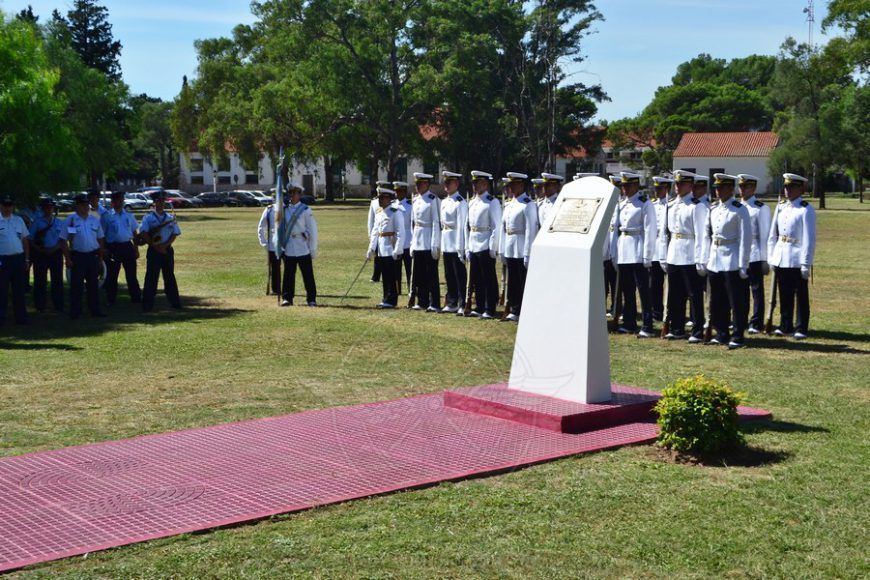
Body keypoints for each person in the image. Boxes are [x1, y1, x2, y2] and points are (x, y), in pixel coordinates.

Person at [704, 174, 751, 349]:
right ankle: (721, 332)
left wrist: (743, 264)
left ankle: (737, 335)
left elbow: (745, 239)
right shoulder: (714, 209)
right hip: (715, 258)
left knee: (736, 301)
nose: (718, 191)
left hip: (731, 258)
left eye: (722, 188)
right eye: (716, 188)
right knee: (717, 300)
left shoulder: (739, 209)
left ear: (730, 189)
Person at [767, 173, 816, 339]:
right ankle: (785, 325)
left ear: (800, 189)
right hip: (781, 255)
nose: (787, 190)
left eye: (791, 187)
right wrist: (772, 256)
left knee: (801, 295)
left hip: (796, 256)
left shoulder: (805, 209)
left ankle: (801, 327)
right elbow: (773, 234)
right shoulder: (781, 207)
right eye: (786, 187)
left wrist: (805, 263)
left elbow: (809, 239)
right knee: (784, 293)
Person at [664, 170, 708, 342]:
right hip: (674, 253)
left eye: (681, 184)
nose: (677, 187)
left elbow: (701, 235)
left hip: (690, 254)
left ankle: (697, 330)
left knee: (694, 295)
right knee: (675, 295)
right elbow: (666, 234)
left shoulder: (697, 206)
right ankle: (677, 328)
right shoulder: (671, 205)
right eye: (676, 184)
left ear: (690, 186)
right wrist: (665, 256)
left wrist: (700, 259)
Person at [614, 171, 657, 337]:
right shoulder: (622, 204)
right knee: (627, 289)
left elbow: (650, 230)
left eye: (627, 185)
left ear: (635, 186)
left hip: (637, 248)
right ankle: (629, 322)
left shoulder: (644, 203)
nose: (624, 189)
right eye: (622, 186)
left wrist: (647, 255)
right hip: (624, 248)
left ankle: (647, 324)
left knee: (643, 290)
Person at [498, 172, 539, 321]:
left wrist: (528, 253)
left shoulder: (528, 204)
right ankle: (513, 308)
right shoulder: (510, 204)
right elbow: (504, 228)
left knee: (522, 280)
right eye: (510, 185)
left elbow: (530, 229)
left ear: (521, 185)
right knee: (512, 280)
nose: (511, 188)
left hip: (521, 246)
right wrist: (502, 249)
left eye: (514, 185)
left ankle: (521, 309)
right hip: (510, 246)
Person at [60, 193, 106, 319]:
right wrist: (67, 258)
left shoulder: (94, 219)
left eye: (87, 204)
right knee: (77, 286)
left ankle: (95, 310)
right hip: (78, 256)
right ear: (77, 206)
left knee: (93, 284)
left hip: (92, 255)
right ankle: (75, 311)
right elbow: (64, 240)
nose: (86, 207)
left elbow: (101, 238)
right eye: (83, 205)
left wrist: (101, 257)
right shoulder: (71, 220)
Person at [737, 174, 772, 334]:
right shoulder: (737, 206)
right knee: (740, 291)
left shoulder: (760, 208)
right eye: (741, 187)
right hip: (739, 254)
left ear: (753, 188)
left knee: (756, 290)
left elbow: (765, 235)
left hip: (755, 253)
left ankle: (756, 322)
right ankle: (741, 320)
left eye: (746, 187)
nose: (742, 190)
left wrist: (766, 259)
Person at [465, 171, 502, 319]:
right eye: (473, 183)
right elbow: (469, 226)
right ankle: (479, 306)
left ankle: (489, 308)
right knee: (476, 279)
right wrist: (468, 246)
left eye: (478, 183)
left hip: (485, 243)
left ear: (485, 184)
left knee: (488, 278)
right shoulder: (472, 202)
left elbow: (496, 226)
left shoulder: (492, 202)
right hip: (474, 243)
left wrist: (493, 247)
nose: (475, 186)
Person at [139, 190, 181, 312]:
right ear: (154, 203)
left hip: (166, 250)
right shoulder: (148, 217)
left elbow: (175, 233)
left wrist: (165, 245)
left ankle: (175, 303)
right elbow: (143, 232)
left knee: (169, 277)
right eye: (159, 201)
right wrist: (155, 246)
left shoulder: (170, 217)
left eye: (163, 201)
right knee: (151, 277)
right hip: (154, 250)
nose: (161, 203)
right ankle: (147, 305)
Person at [279, 183, 318, 307]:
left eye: (294, 193)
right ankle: (287, 298)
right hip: (289, 246)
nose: (291, 196)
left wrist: (312, 249)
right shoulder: (284, 209)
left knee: (308, 275)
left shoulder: (306, 210)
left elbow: (312, 231)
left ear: (299, 194)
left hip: (302, 246)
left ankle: (311, 299)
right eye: (289, 193)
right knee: (288, 275)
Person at [101, 191, 142, 305]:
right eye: (118, 200)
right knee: (112, 275)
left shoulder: (129, 215)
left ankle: (136, 298)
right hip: (113, 247)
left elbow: (134, 232)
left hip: (127, 246)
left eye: (121, 200)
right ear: (112, 202)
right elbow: (102, 234)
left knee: (131, 274)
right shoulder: (107, 216)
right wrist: (104, 249)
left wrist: (136, 248)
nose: (120, 202)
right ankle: (111, 299)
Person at [409, 172, 441, 312]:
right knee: (419, 274)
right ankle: (422, 301)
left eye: (420, 183)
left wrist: (435, 244)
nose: (417, 186)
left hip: (428, 240)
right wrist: (412, 243)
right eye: (416, 183)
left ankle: (434, 302)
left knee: (431, 274)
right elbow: (413, 224)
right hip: (418, 240)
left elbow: (436, 222)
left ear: (427, 184)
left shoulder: (433, 199)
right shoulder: (415, 200)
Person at [367, 187, 404, 308]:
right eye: (379, 198)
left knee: (391, 276)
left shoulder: (395, 212)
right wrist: (371, 248)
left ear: (389, 198)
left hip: (391, 246)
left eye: (382, 198)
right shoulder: (379, 213)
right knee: (385, 275)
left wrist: (397, 249)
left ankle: (392, 300)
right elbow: (375, 231)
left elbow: (400, 232)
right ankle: (385, 298)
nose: (380, 200)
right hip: (382, 248)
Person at [439, 170, 468, 313]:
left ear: (456, 184)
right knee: (448, 274)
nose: (446, 185)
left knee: (459, 275)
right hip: (446, 240)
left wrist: (460, 247)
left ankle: (462, 303)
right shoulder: (444, 202)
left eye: (448, 182)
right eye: (445, 182)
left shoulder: (460, 202)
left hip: (456, 241)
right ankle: (451, 302)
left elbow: (462, 225)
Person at [29, 197, 64, 313]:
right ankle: (40, 305)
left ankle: (58, 304)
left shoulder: (59, 222)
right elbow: (30, 238)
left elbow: (64, 239)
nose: (48, 209)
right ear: (43, 209)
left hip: (56, 253)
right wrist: (37, 248)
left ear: (53, 208)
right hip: (41, 254)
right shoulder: (37, 222)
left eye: (50, 207)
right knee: (40, 280)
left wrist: (56, 248)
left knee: (57, 280)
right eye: (46, 207)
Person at [0, 194, 30, 325]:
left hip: (18, 259)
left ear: (13, 207)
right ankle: (1, 317)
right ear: (0, 206)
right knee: (2, 290)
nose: (7, 208)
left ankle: (21, 317)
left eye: (10, 205)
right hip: (2, 260)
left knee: (19, 290)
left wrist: (27, 260)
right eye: (5, 205)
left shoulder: (19, 220)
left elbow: (25, 240)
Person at [649, 176, 673, 322]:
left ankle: (668, 312)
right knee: (654, 284)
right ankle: (656, 311)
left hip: (668, 247)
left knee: (670, 285)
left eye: (660, 188)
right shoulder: (652, 205)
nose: (657, 191)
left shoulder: (670, 205)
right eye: (655, 188)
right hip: (655, 248)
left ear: (667, 189)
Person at [604, 174, 622, 316]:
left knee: (617, 283)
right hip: (606, 250)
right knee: (604, 281)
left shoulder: (622, 205)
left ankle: (617, 307)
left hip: (618, 249)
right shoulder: (606, 205)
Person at [257, 198, 283, 295]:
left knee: (289, 269)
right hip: (273, 243)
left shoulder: (288, 208)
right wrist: (264, 242)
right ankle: (276, 289)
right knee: (275, 268)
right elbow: (261, 226)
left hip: (287, 244)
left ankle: (287, 289)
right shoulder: (269, 209)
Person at [367, 181, 391, 283]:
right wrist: (371, 235)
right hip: (376, 233)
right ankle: (376, 275)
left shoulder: (391, 203)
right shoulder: (374, 202)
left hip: (386, 235)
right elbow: (371, 220)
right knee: (377, 256)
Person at [392, 181, 413, 292]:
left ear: (405, 192)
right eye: (396, 191)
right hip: (396, 241)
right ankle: (397, 289)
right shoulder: (392, 205)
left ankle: (411, 288)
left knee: (409, 268)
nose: (397, 194)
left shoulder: (410, 206)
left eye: (399, 191)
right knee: (396, 268)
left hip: (408, 240)